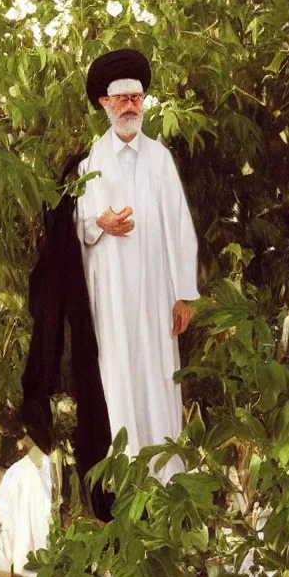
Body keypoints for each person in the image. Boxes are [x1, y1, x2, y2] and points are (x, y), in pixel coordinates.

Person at [76, 49, 199, 480]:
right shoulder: (89, 163)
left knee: (160, 374)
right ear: (104, 105)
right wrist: (99, 221)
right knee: (119, 375)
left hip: (155, 294)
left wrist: (184, 294)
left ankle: (168, 477)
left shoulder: (159, 159)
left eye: (136, 97)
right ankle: (128, 479)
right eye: (121, 98)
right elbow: (77, 225)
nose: (130, 105)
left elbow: (180, 228)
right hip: (110, 295)